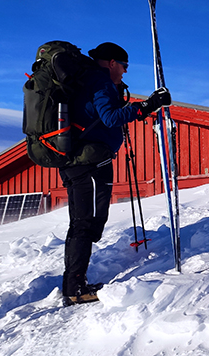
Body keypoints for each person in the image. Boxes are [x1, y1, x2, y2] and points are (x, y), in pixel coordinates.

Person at [60, 42, 171, 306]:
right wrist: (148, 105)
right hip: (89, 164)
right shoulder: (99, 81)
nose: (124, 72)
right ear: (111, 63)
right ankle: (75, 289)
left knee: (80, 224)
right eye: (124, 66)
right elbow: (110, 118)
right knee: (86, 224)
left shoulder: (87, 79)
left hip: (76, 161)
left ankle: (74, 283)